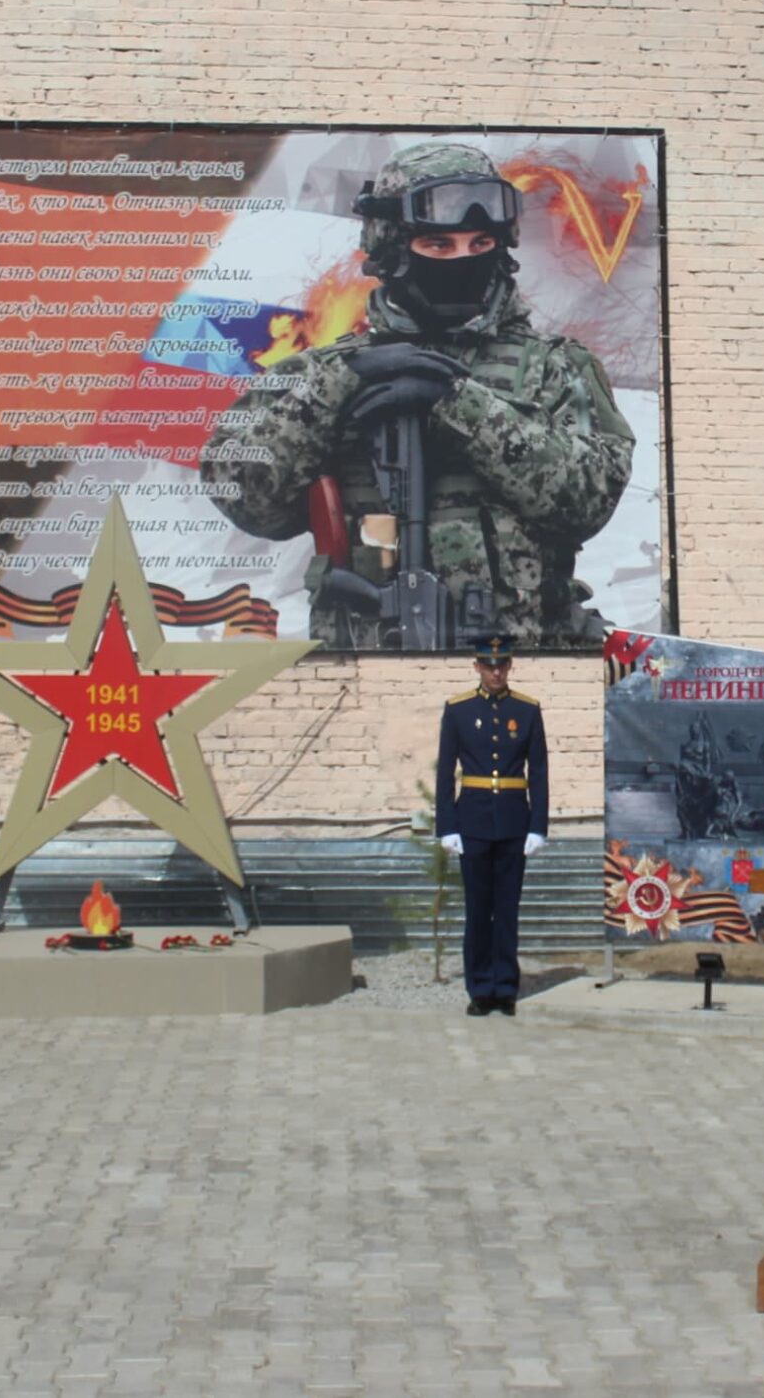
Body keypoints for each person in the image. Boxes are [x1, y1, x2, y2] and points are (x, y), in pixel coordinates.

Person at [202, 141, 636, 648]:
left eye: (480, 245)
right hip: (372, 661)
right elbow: (250, 502)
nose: (462, 260)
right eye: (438, 246)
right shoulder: (321, 373)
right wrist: (338, 386)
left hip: (522, 657)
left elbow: (588, 503)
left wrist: (459, 404)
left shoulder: (556, 367)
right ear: (393, 248)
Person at [435, 634, 548, 1015]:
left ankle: (506, 988)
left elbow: (540, 771)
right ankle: (481, 989)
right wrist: (446, 825)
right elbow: (445, 771)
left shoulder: (528, 710)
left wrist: (538, 825)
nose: (496, 672)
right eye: (489, 665)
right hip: (472, 821)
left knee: (507, 910)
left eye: (502, 665)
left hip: (514, 821)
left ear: (510, 666)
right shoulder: (458, 710)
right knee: (478, 910)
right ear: (477, 667)